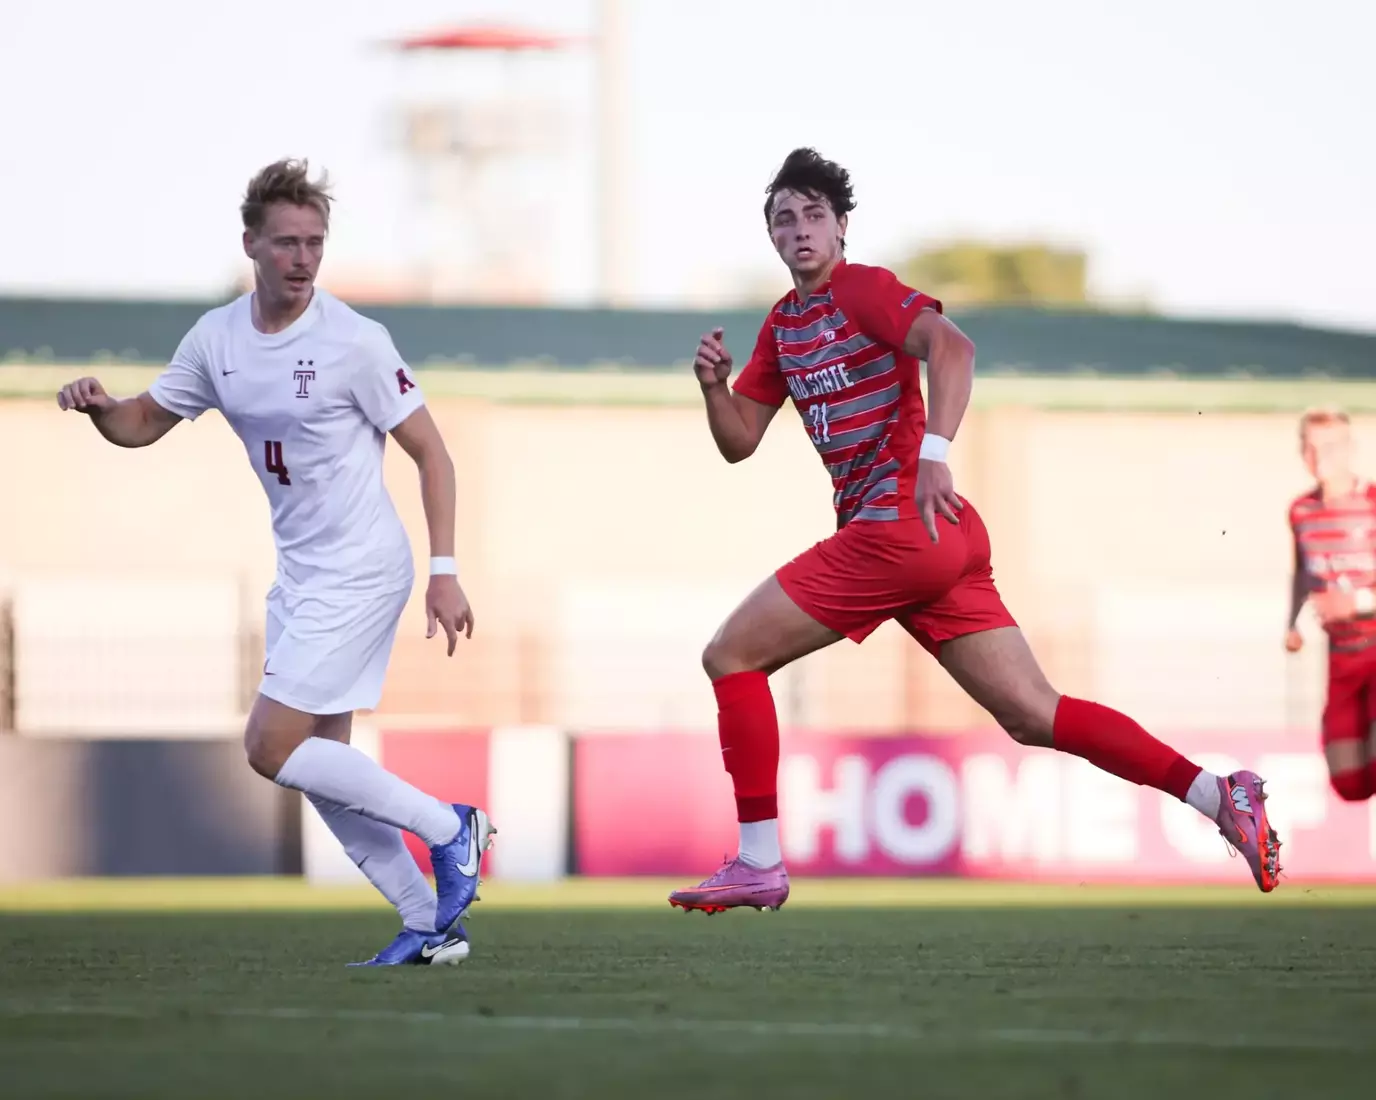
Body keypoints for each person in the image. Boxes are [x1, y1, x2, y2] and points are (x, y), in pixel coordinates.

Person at [670, 148, 1281, 913]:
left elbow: (953, 347)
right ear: (770, 237)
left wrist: (934, 455)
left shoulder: (862, 290)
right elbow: (740, 441)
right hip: (934, 539)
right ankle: (1217, 793)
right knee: (1035, 713)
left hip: (900, 525)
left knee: (730, 654)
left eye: (814, 215)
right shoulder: (784, 328)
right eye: (784, 219)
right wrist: (712, 389)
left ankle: (758, 860)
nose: (800, 230)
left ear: (842, 228)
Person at [56, 159, 494, 965]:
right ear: (251, 243)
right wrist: (100, 409)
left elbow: (433, 453)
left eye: (316, 244)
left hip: (364, 567)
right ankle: (429, 923)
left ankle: (451, 827)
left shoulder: (356, 341)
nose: (302, 259)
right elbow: (144, 423)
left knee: (269, 746)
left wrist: (445, 570)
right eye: (287, 242)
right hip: (301, 576)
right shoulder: (215, 339)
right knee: (319, 768)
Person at [1286, 407, 1376, 803]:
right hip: (1341, 657)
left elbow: (1347, 598)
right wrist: (1292, 623)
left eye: (1329, 447)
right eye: (1310, 447)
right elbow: (1303, 572)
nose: (1318, 457)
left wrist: (1357, 601)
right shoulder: (1301, 511)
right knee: (1349, 783)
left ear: (1349, 450)